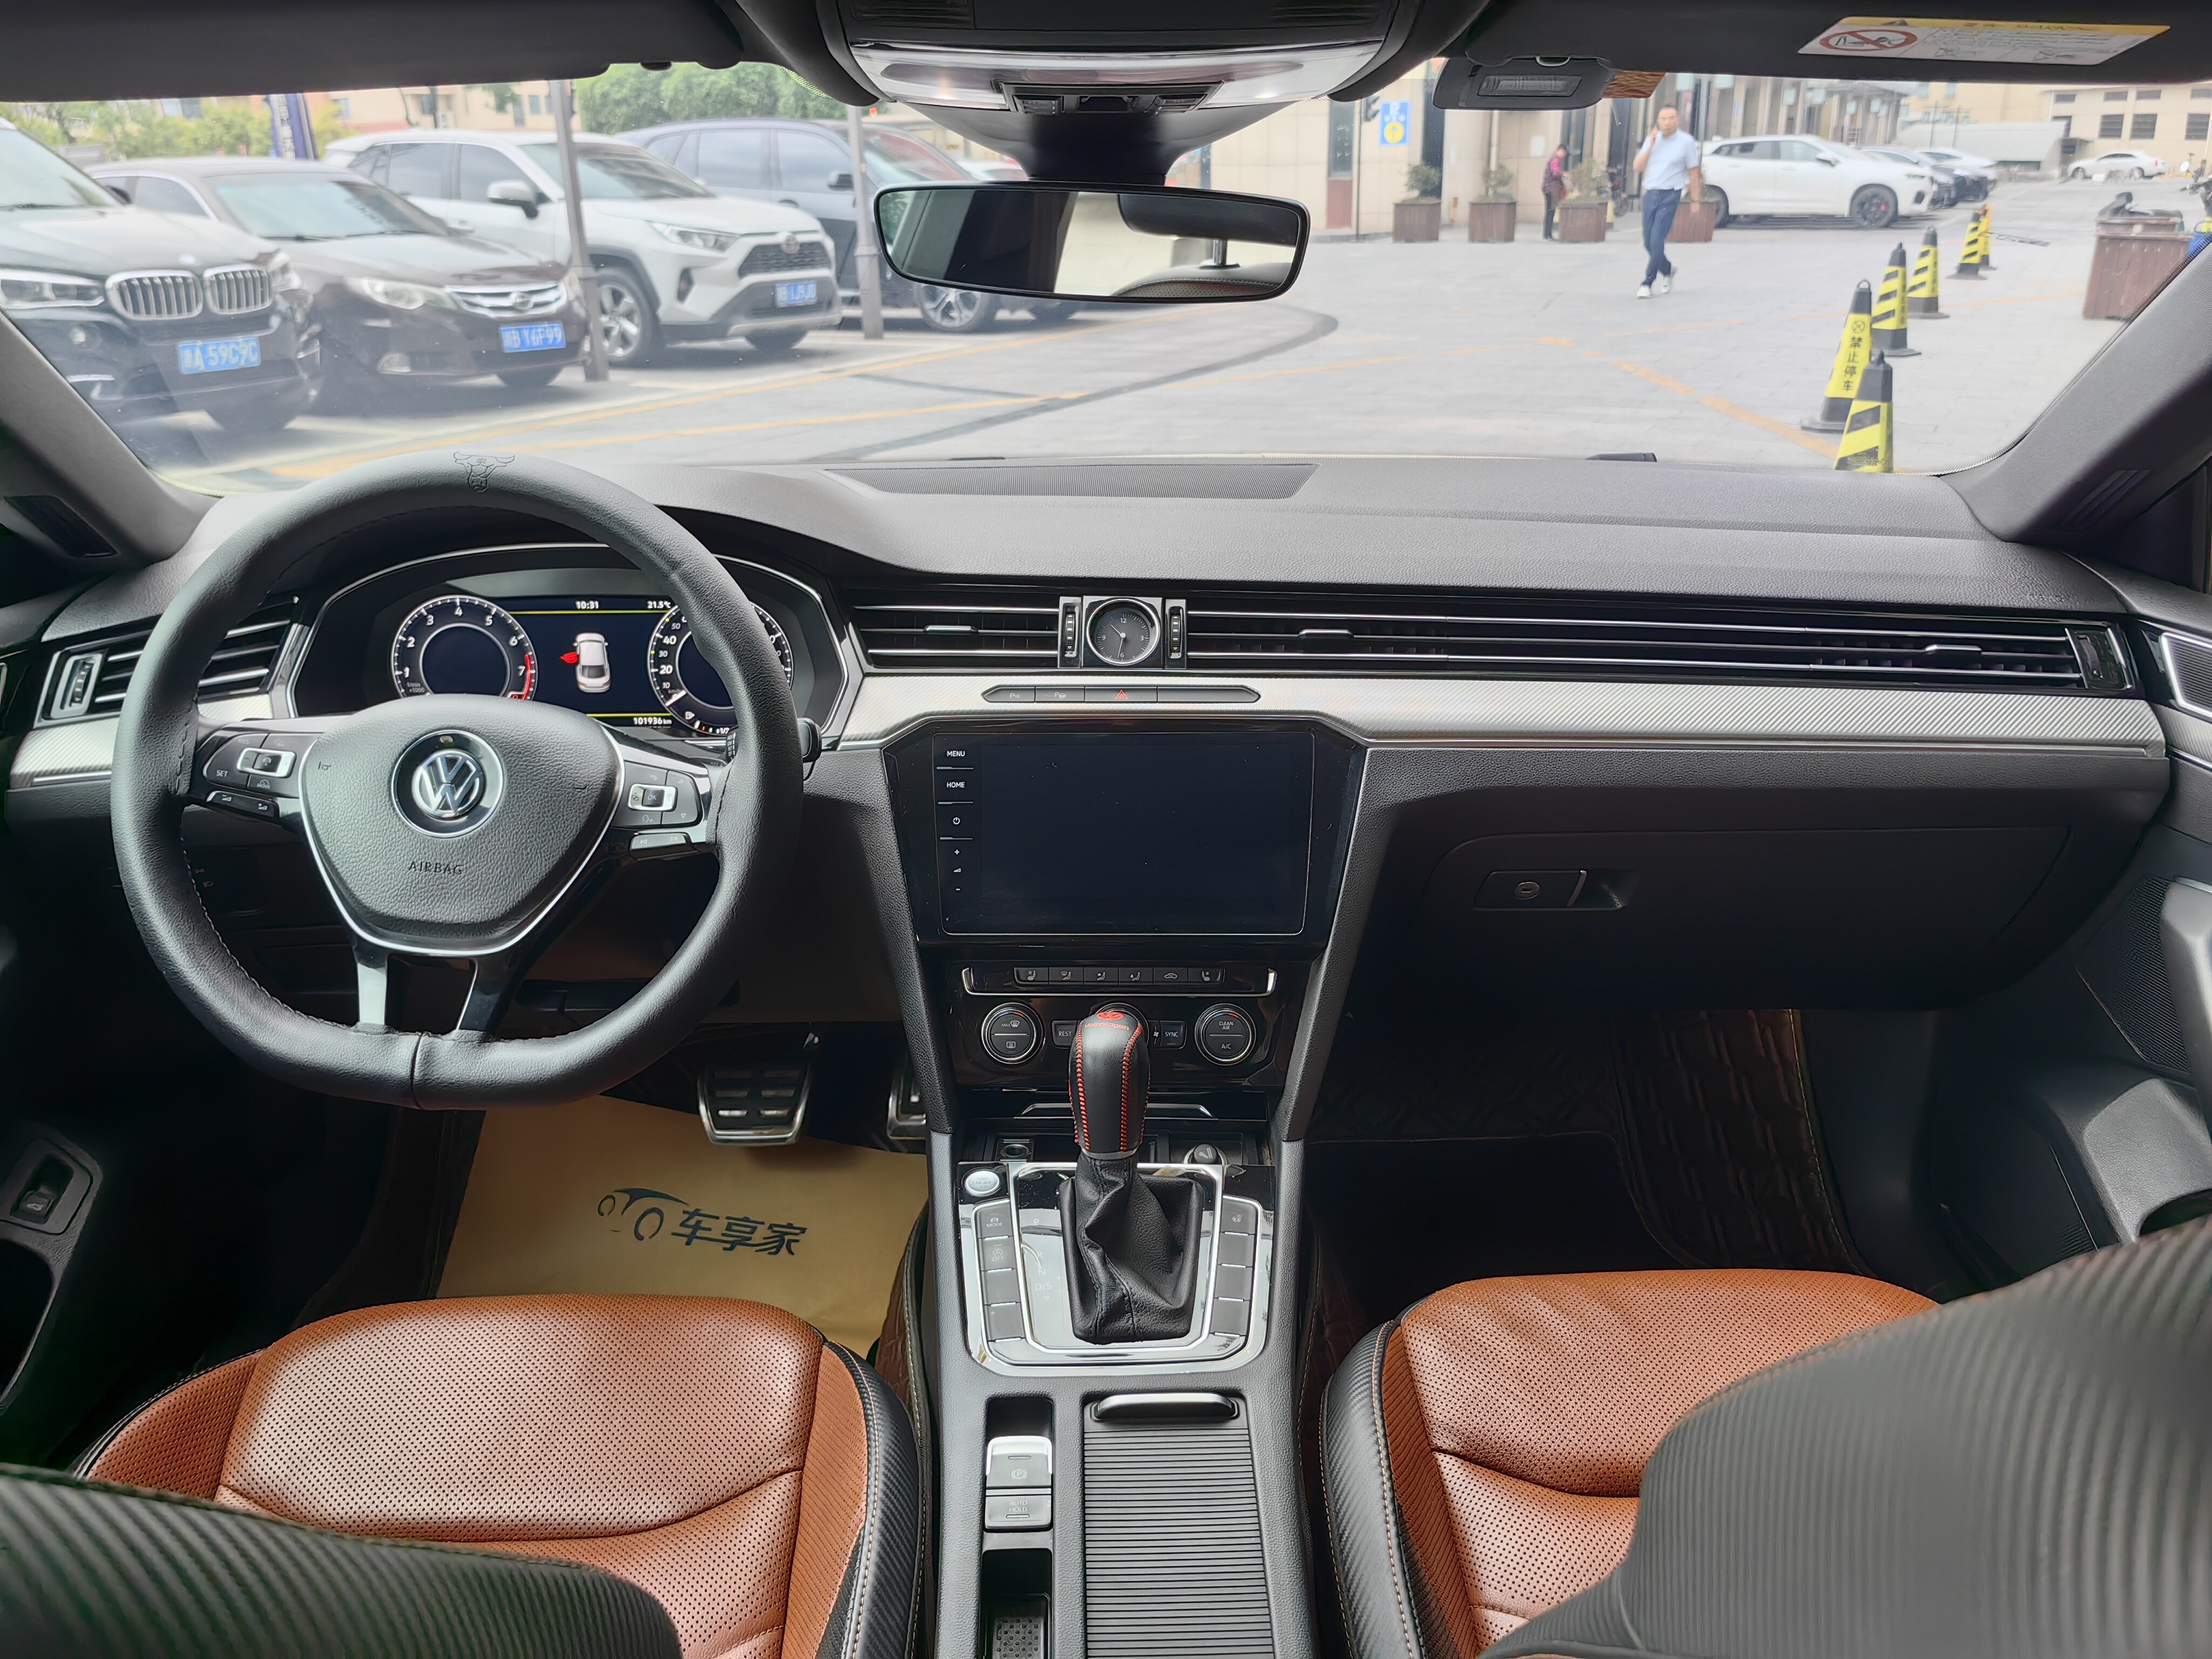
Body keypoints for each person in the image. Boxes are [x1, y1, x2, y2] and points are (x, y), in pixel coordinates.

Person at [1631, 105, 1703, 298]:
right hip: (1650, 195)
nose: (1667, 123)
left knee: (1657, 240)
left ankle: (1647, 282)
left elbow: (1694, 172)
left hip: (1670, 195)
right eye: (1663, 119)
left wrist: (1695, 200)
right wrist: (1651, 146)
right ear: (1658, 121)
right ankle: (1668, 269)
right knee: (1648, 243)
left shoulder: (1686, 142)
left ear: (1678, 120)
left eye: (1671, 118)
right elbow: (1637, 168)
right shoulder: (1652, 140)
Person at [1541, 143, 1569, 239]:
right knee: (1551, 211)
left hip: (1548, 188)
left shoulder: (1553, 158)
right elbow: (1555, 173)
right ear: (1561, 151)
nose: (1564, 156)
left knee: (1550, 211)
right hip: (1551, 189)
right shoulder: (1555, 160)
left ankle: (1547, 234)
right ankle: (1548, 234)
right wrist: (1564, 174)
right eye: (1565, 153)